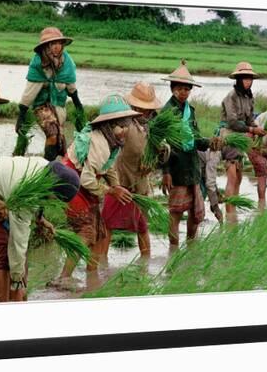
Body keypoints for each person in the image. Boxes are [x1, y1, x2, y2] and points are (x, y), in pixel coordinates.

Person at [54, 94, 141, 287]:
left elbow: (108, 167)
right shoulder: (99, 142)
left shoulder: (113, 142)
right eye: (120, 126)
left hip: (85, 184)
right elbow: (86, 178)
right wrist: (111, 192)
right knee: (86, 231)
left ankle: (92, 276)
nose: (124, 130)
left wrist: (116, 185)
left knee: (100, 234)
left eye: (126, 125)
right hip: (72, 183)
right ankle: (64, 277)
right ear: (108, 125)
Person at [0, 156, 80, 302]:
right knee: (2, 257)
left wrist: (40, 219)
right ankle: (1, 311)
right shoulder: (23, 195)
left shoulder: (47, 169)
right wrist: (17, 278)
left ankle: (15, 301)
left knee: (16, 261)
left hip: (4, 196)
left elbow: (39, 197)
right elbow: (18, 242)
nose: (53, 201)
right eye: (54, 198)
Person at [100, 82, 169, 258]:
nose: (144, 112)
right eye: (140, 107)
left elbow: (161, 149)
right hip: (120, 180)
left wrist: (156, 157)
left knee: (142, 226)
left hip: (140, 184)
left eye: (147, 109)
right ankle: (101, 264)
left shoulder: (153, 126)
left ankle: (145, 264)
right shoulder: (125, 123)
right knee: (106, 224)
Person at [14, 27, 84, 161]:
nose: (57, 47)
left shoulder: (67, 63)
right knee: (52, 134)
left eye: (59, 43)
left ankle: (55, 169)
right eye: (53, 44)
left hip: (59, 105)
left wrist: (79, 108)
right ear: (46, 46)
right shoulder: (38, 64)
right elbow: (30, 92)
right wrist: (21, 116)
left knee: (60, 141)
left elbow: (71, 88)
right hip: (41, 106)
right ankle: (46, 168)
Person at [160, 60, 209, 246]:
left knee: (194, 212)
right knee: (175, 212)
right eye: (180, 88)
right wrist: (165, 172)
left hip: (192, 166)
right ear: (172, 88)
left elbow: (196, 138)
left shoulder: (190, 111)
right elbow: (161, 147)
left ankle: (190, 246)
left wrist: (209, 143)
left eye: (187, 89)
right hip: (176, 168)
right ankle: (173, 249)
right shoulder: (166, 112)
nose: (183, 92)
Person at [217, 62, 267, 216]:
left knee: (238, 177)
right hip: (230, 137)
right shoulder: (230, 97)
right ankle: (229, 212)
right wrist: (252, 129)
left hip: (241, 139)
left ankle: (233, 210)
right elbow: (232, 122)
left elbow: (250, 119)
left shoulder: (249, 97)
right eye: (245, 78)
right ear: (238, 79)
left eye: (250, 78)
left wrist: (257, 128)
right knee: (232, 177)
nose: (248, 81)